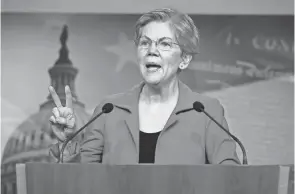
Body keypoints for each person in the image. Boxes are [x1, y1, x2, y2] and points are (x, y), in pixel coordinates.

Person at [48, 8, 240, 165]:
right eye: (145, 43)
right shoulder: (108, 111)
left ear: (184, 59)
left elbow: (231, 180)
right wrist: (68, 141)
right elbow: (82, 181)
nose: (152, 51)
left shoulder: (207, 112)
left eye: (164, 44)